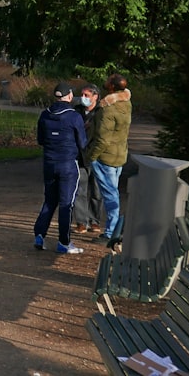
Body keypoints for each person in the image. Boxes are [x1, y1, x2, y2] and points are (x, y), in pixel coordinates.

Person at [33, 82, 88, 254]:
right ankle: (64, 242)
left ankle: (39, 235)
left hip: (49, 163)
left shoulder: (45, 115)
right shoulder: (74, 116)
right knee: (66, 203)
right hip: (68, 164)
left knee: (49, 200)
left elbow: (40, 140)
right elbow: (82, 142)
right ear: (70, 96)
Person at [87, 73, 132, 242]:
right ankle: (114, 230)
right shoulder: (126, 103)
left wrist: (91, 156)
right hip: (119, 153)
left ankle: (111, 233)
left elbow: (103, 139)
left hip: (105, 157)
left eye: (109, 79)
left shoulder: (108, 109)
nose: (105, 80)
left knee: (110, 195)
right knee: (113, 193)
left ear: (112, 86)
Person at [73, 84, 104, 234]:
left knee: (96, 192)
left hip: (97, 157)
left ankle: (95, 221)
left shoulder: (101, 112)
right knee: (80, 190)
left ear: (95, 97)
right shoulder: (77, 111)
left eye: (87, 95)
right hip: (80, 156)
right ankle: (81, 222)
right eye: (82, 95)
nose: (83, 98)